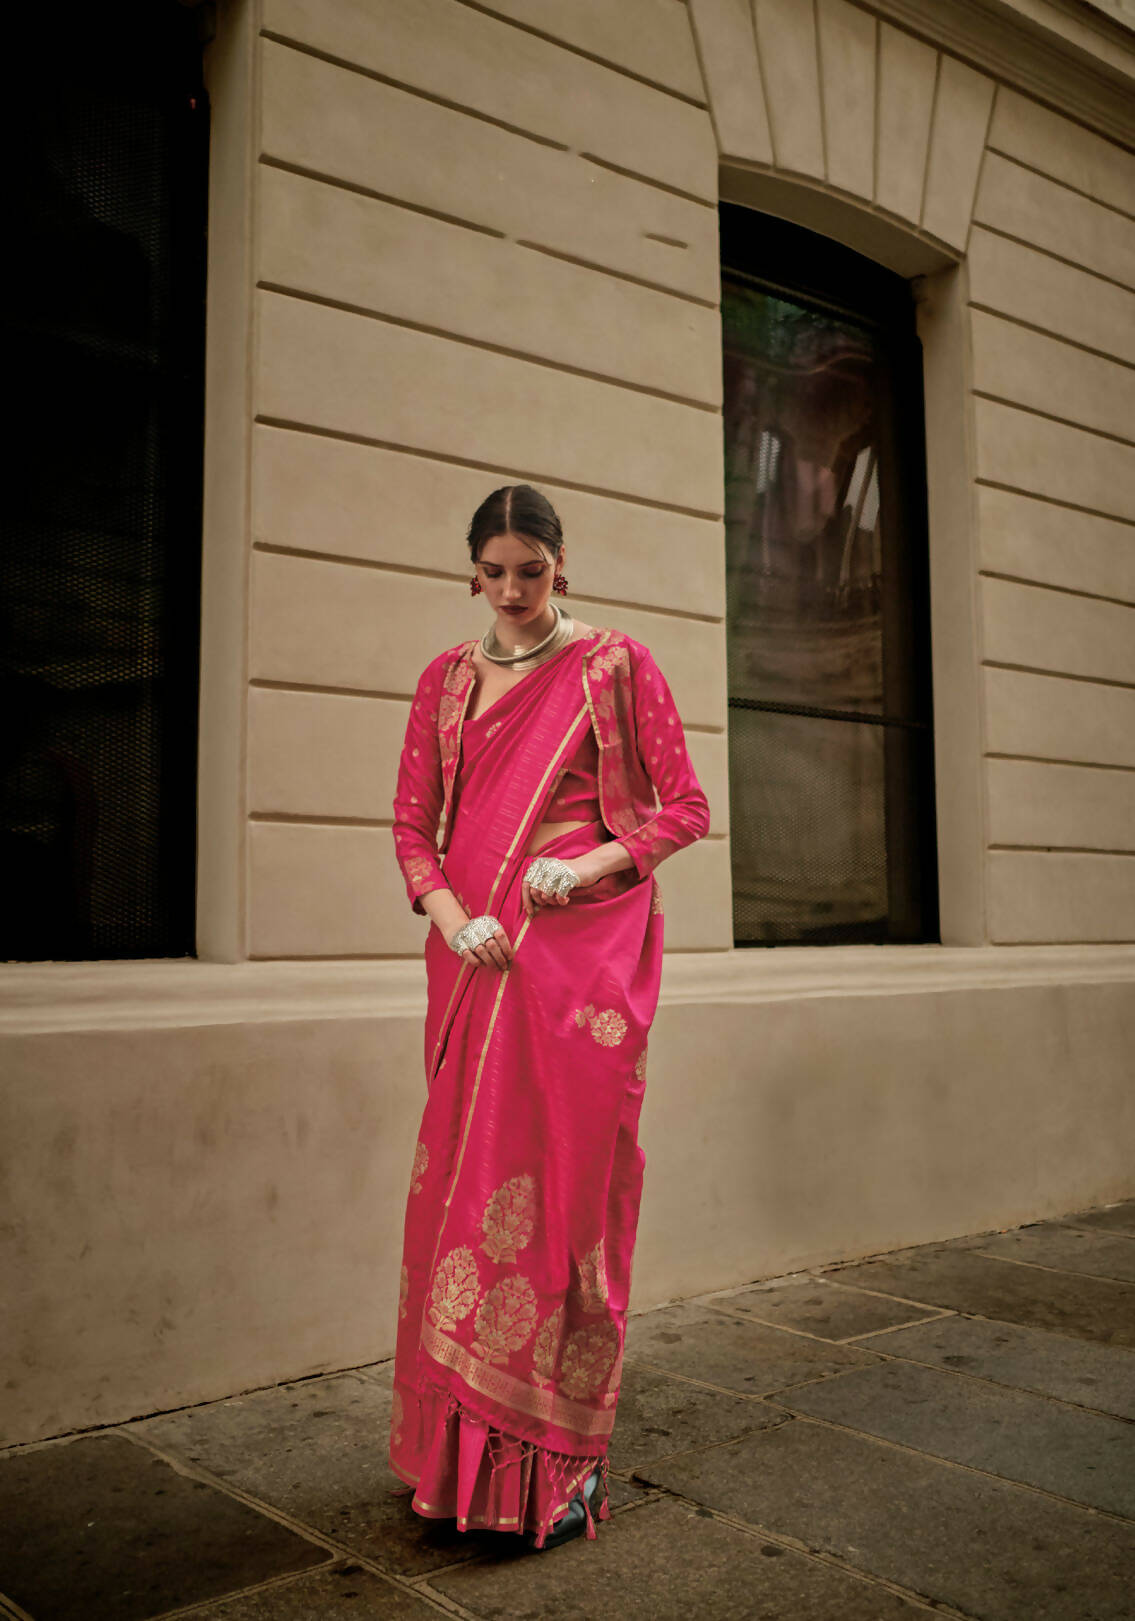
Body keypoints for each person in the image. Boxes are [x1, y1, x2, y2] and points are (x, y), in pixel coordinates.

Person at [389, 483, 710, 1550]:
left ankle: (552, 1472)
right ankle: (452, 1470)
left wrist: (586, 864)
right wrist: (453, 920)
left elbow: (684, 808)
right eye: (495, 572)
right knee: (460, 1202)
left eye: (531, 571)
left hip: (576, 975)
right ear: (472, 572)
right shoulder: (444, 682)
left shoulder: (614, 666)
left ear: (559, 565)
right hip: (476, 970)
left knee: (565, 1203)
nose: (513, 590)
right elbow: (412, 831)